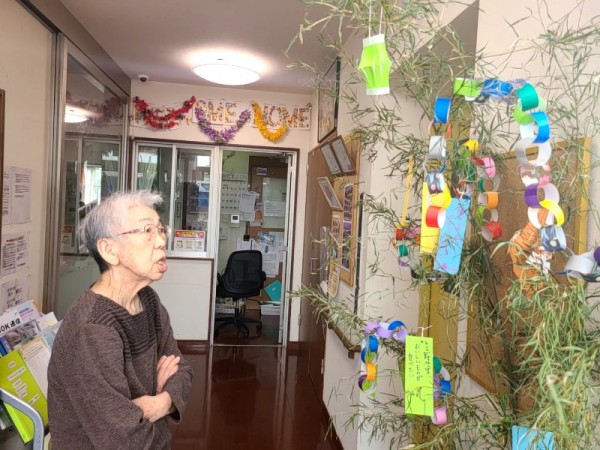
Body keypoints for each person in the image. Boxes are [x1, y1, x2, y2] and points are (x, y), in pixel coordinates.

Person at [48, 190, 193, 449]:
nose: (161, 241)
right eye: (147, 231)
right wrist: (160, 398)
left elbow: (181, 369)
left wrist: (161, 402)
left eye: (161, 229)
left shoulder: (147, 300)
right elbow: (125, 439)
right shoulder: (93, 329)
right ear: (109, 250)